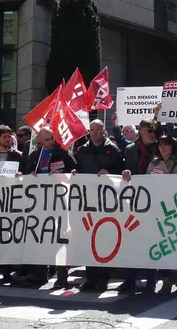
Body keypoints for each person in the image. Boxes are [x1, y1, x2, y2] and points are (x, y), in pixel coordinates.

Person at [16, 126, 76, 288]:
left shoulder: (63, 153)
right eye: (46, 140)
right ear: (40, 140)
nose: (50, 142)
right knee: (40, 237)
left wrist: (62, 175)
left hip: (60, 201)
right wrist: (28, 175)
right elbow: (26, 172)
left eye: (51, 138)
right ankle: (40, 273)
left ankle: (62, 275)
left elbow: (75, 173)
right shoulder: (36, 155)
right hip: (39, 203)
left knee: (61, 237)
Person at [73, 119, 124, 291]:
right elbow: (78, 170)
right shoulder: (82, 150)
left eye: (98, 130)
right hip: (87, 202)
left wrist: (110, 173)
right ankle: (90, 277)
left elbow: (120, 173)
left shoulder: (113, 150)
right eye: (92, 130)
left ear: (103, 131)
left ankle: (103, 278)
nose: (95, 133)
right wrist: (75, 173)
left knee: (103, 239)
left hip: (106, 202)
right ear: (89, 131)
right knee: (88, 239)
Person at [145, 135, 177, 294]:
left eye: (166, 144)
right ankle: (166, 280)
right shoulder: (154, 163)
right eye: (160, 144)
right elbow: (147, 183)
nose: (163, 147)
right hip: (159, 210)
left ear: (173, 146)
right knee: (163, 246)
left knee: (176, 245)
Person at [119, 118, 159, 293]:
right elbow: (126, 171)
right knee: (133, 241)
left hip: (155, 200)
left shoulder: (160, 147)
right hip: (136, 202)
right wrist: (125, 171)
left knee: (151, 241)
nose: (152, 134)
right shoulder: (130, 150)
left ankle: (151, 280)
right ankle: (130, 279)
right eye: (149, 130)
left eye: (154, 131)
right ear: (141, 131)